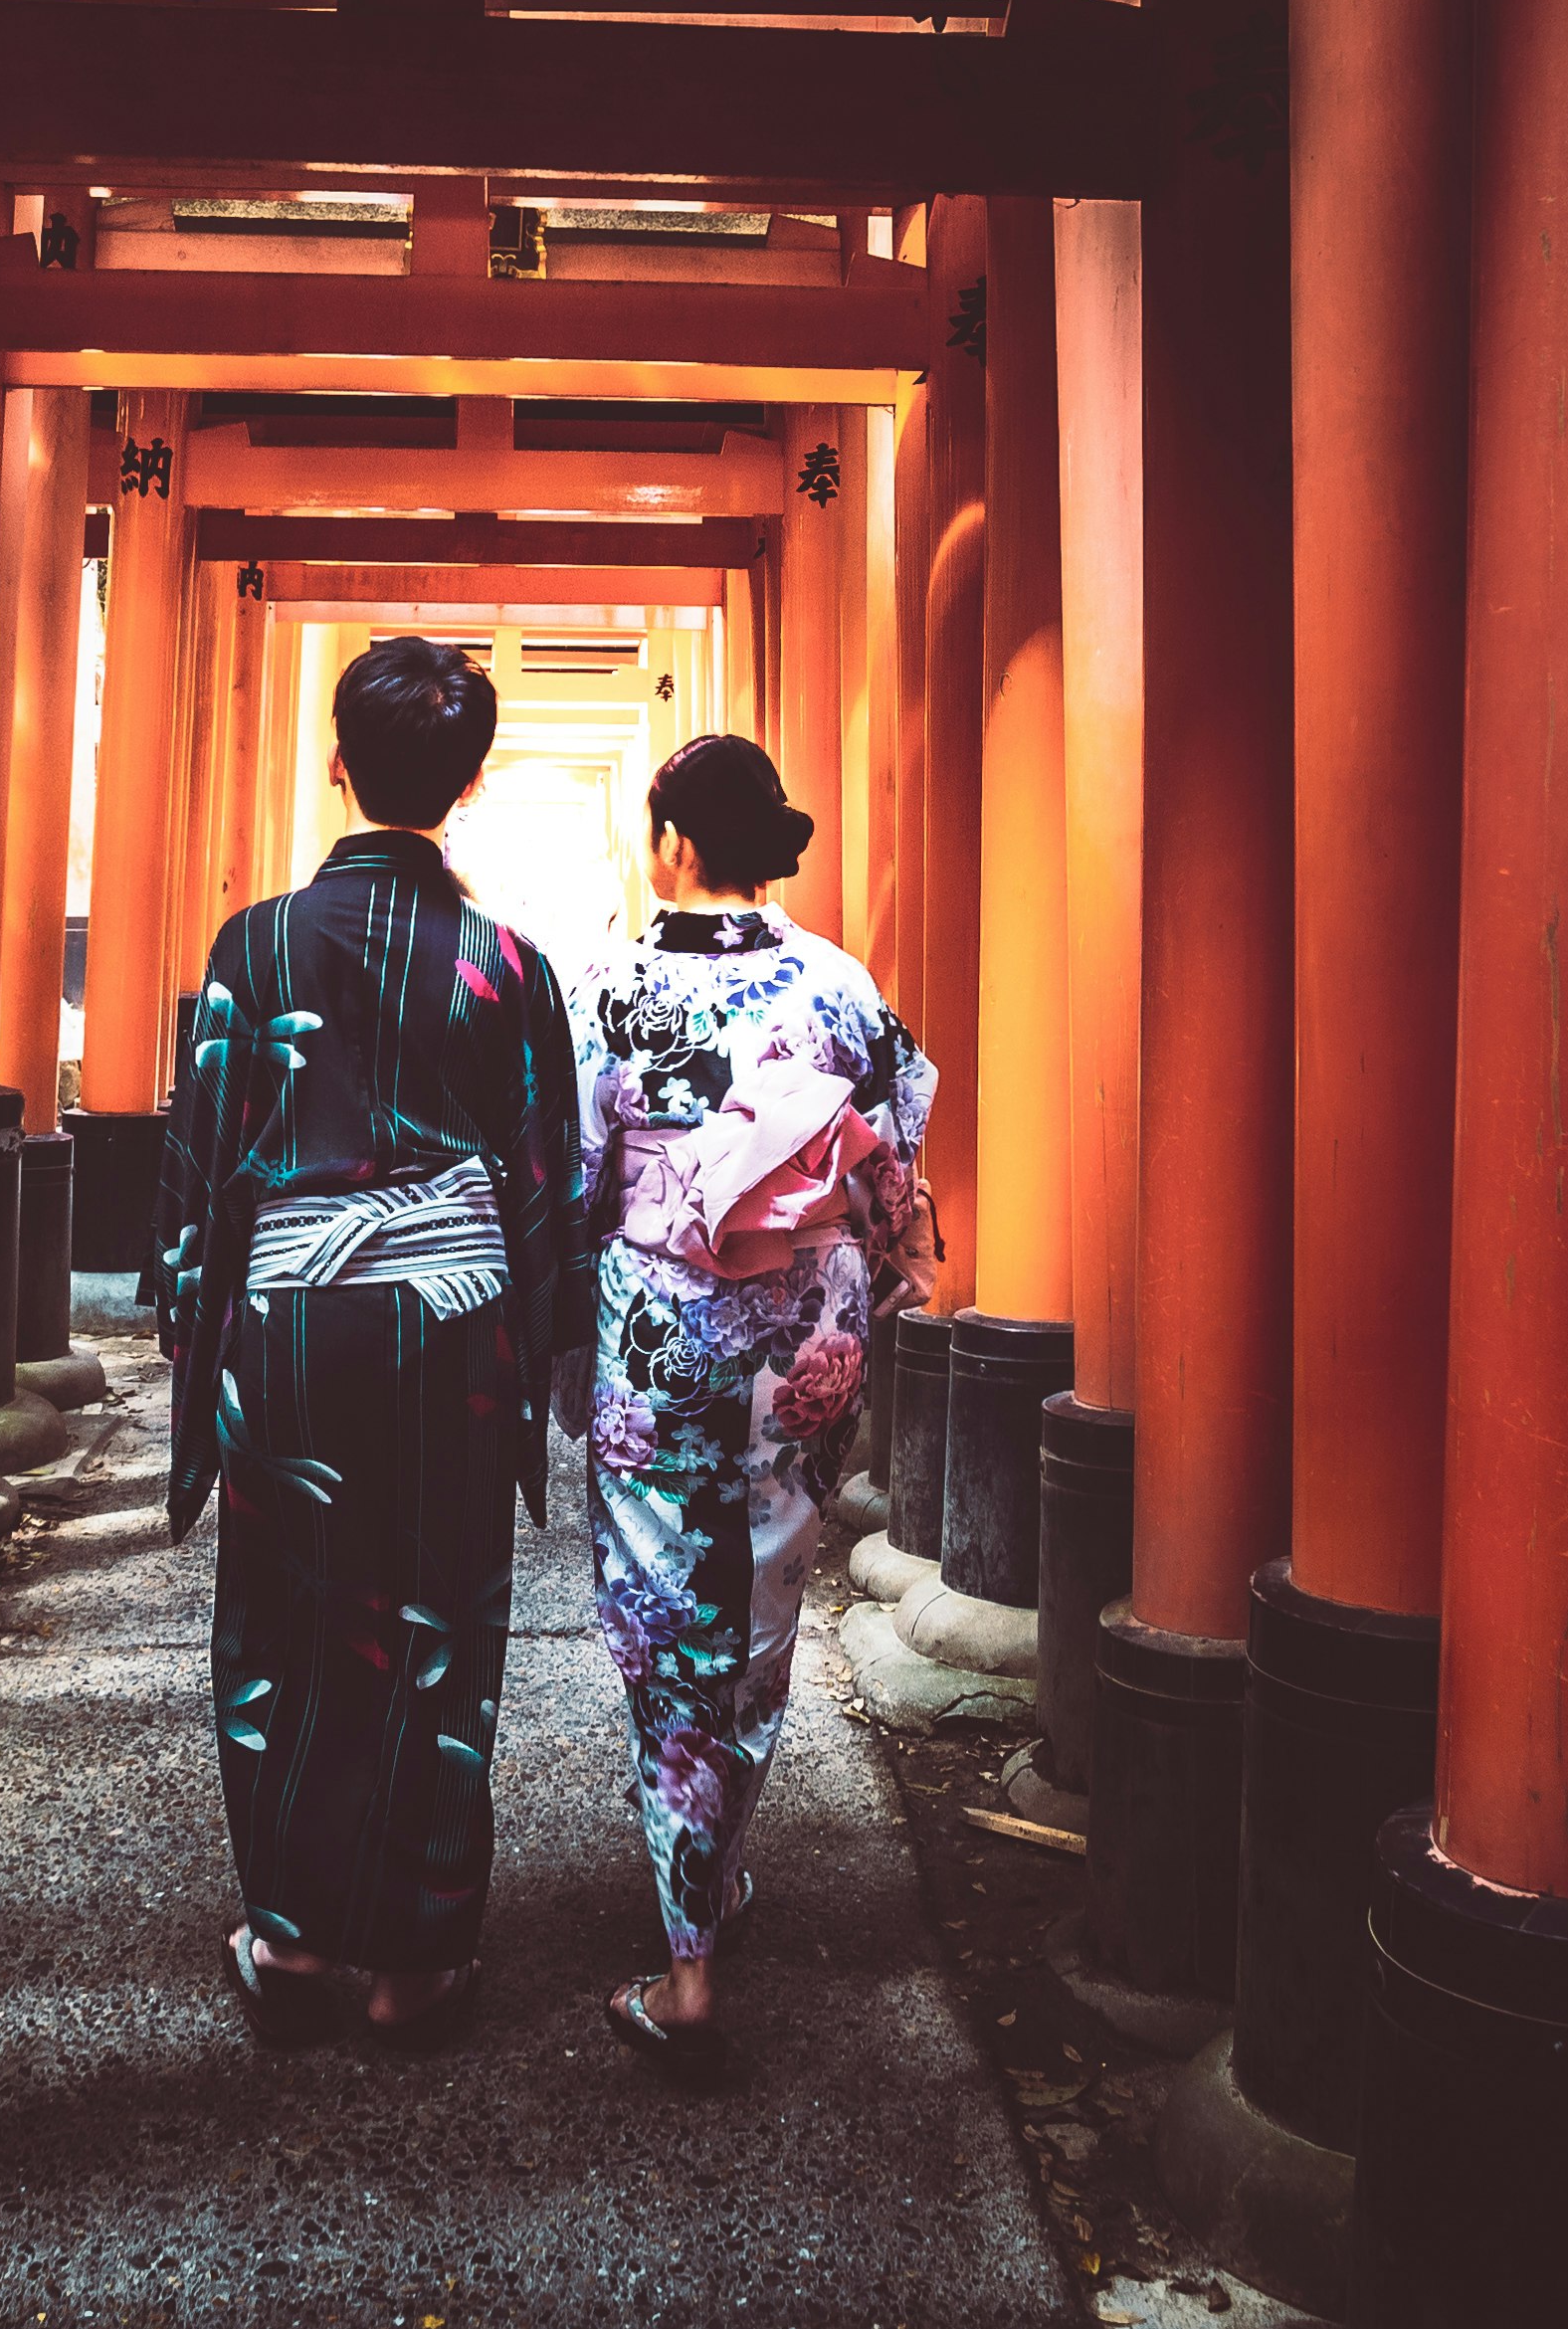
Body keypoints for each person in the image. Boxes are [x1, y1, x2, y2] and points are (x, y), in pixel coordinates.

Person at [155, 636, 589, 2051]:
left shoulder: (254, 944)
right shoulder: (509, 965)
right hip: (452, 1331)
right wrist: (542, 1357)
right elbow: (545, 1183)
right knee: (438, 1629)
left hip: (286, 1324)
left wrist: (196, 1327)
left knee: (280, 1616)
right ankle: (412, 1959)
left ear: (334, 762)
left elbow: (201, 1159)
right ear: (464, 784)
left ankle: (287, 1940)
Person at [563, 733, 935, 2089]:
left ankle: (685, 1966)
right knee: (766, 1603)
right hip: (802, 1338)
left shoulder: (604, 981)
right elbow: (892, 1140)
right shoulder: (836, 981)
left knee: (665, 1613)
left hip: (659, 1328)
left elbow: (573, 1173)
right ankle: (712, 1867)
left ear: (669, 840)